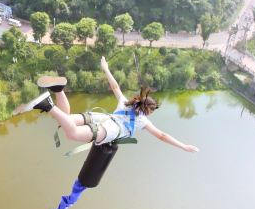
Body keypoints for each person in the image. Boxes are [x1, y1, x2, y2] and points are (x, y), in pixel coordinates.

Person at [13, 56, 199, 152]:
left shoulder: (126, 103)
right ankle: (47, 105)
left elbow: (115, 86)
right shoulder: (143, 121)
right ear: (147, 111)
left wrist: (106, 68)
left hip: (102, 117)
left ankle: (58, 89)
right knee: (72, 133)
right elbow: (162, 135)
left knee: (66, 120)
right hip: (109, 129)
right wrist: (183, 146)